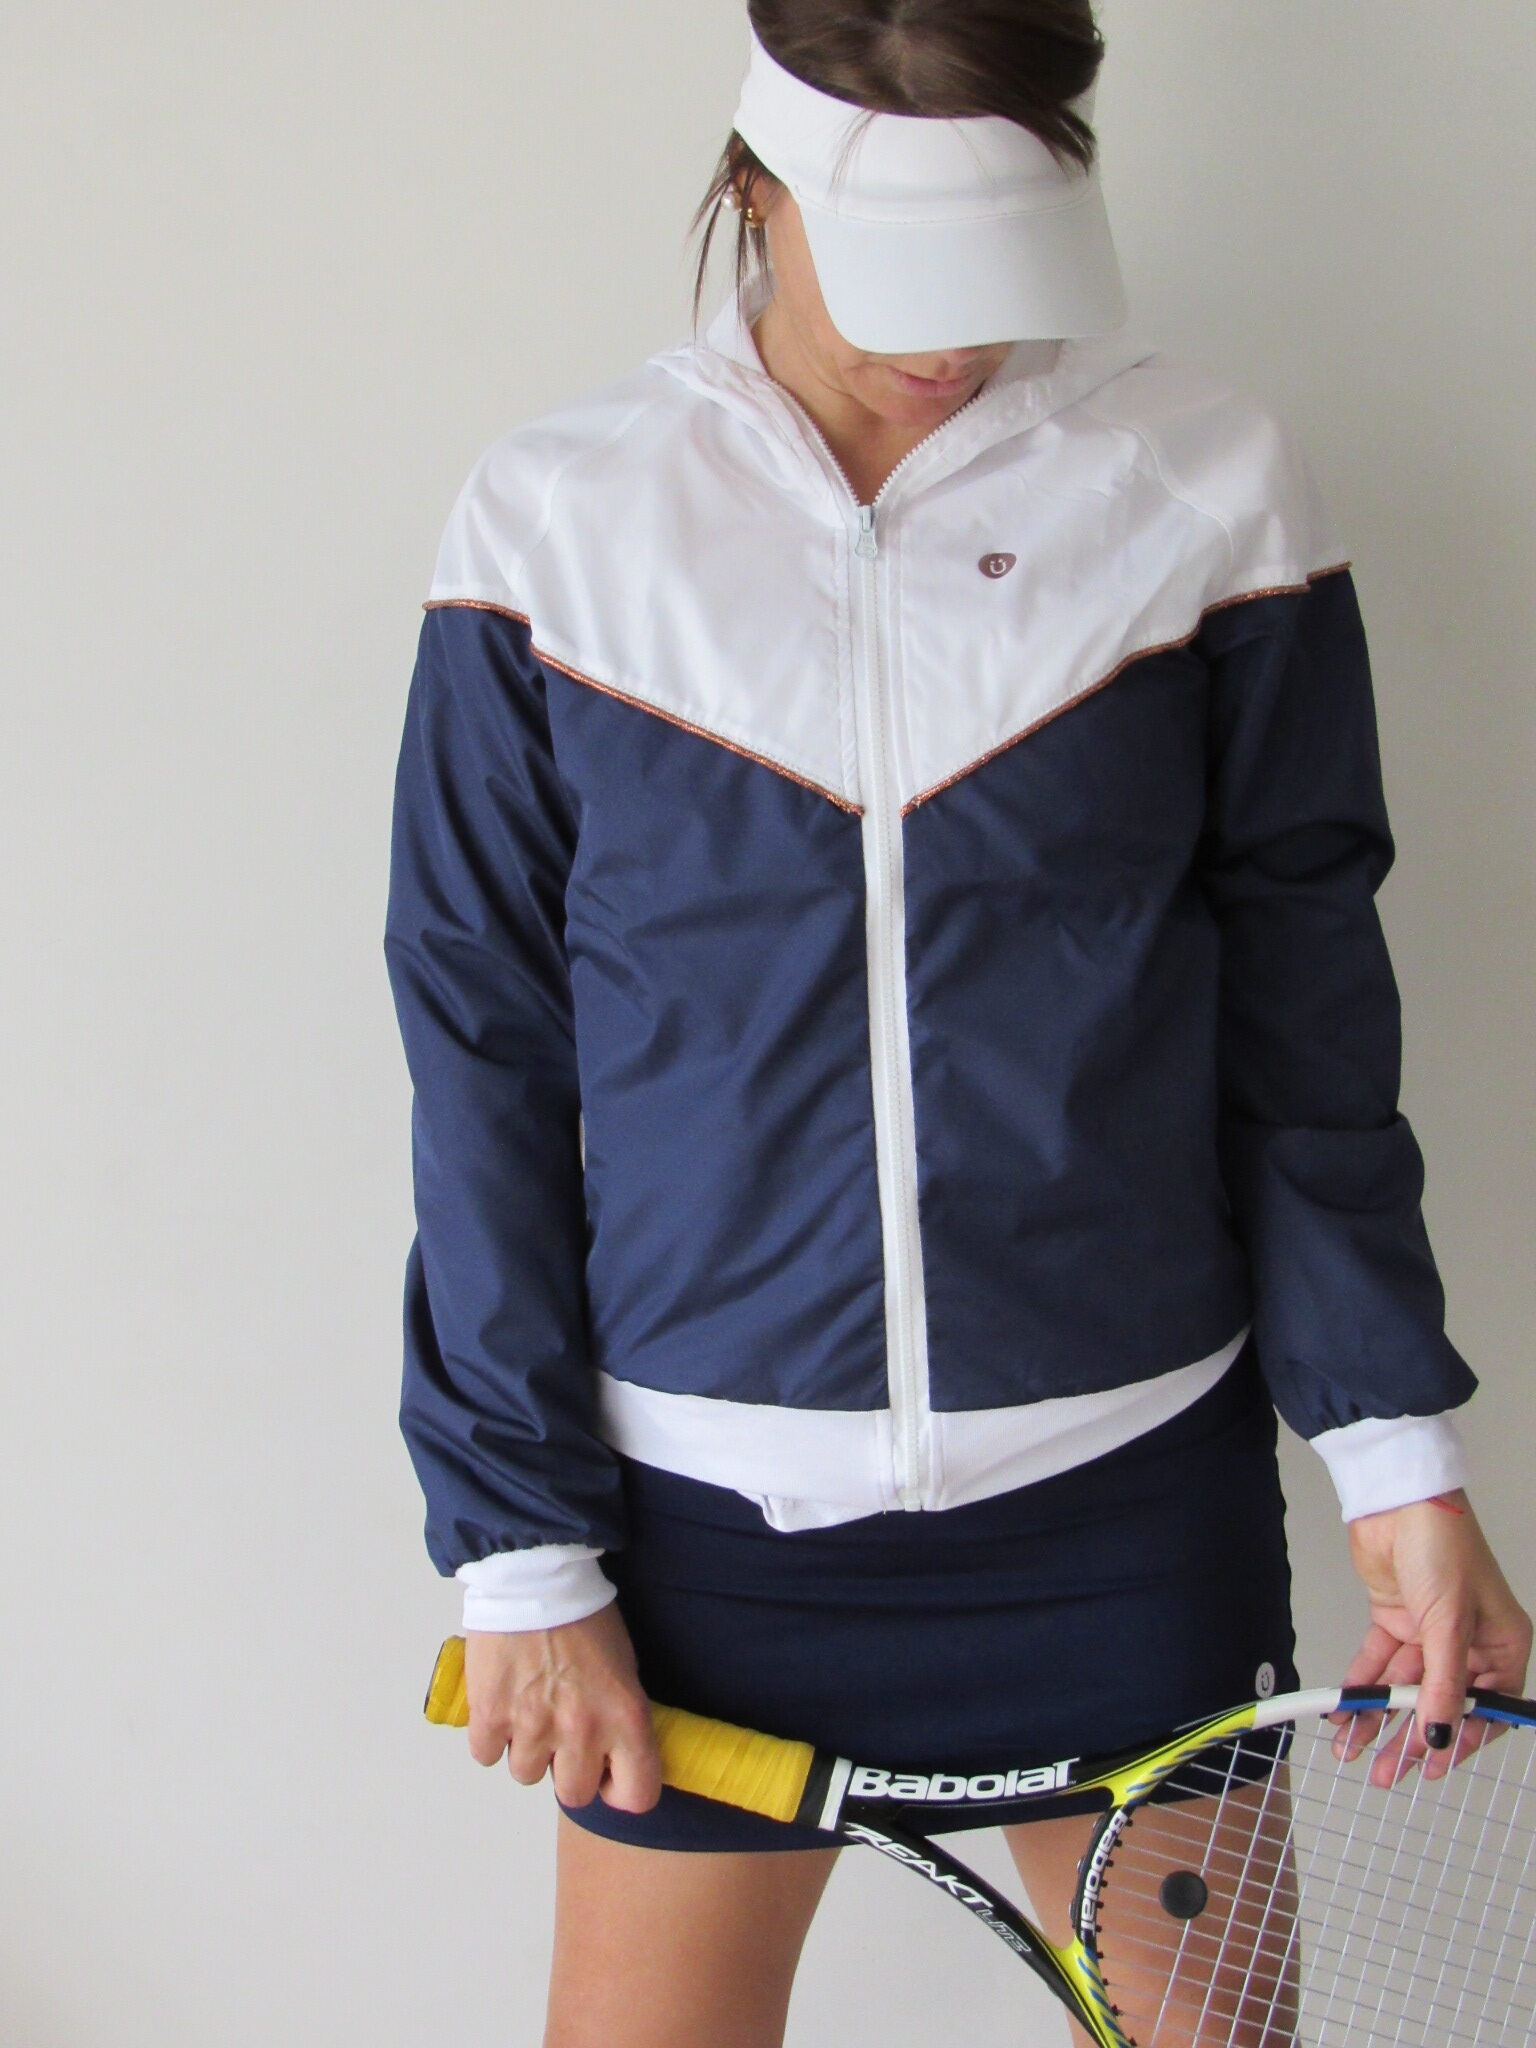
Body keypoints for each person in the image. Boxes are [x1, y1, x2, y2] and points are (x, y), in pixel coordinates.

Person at [382, 6, 1532, 2043]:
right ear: (758, 193)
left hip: (1128, 1505)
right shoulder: (559, 520)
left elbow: (1306, 1016)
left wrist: (1393, 1455)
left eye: (1008, 269)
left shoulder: (1205, 481)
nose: (960, 341)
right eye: (909, 273)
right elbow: (484, 1050)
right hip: (704, 1532)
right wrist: (523, 1547)